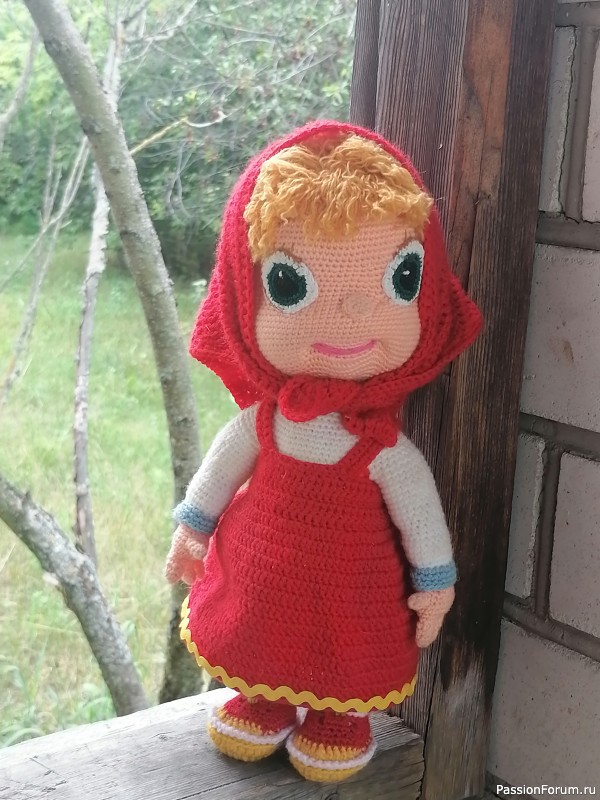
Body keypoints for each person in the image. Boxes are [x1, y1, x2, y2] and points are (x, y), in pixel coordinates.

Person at [165, 120, 482, 783]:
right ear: (243, 295)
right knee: (263, 635)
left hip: (351, 589)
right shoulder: (264, 423)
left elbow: (420, 517)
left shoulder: (384, 449)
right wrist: (193, 529)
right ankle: (264, 700)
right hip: (263, 574)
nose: (356, 308)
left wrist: (434, 584)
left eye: (401, 278)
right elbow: (219, 471)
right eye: (289, 284)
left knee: (345, 648)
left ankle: (337, 717)